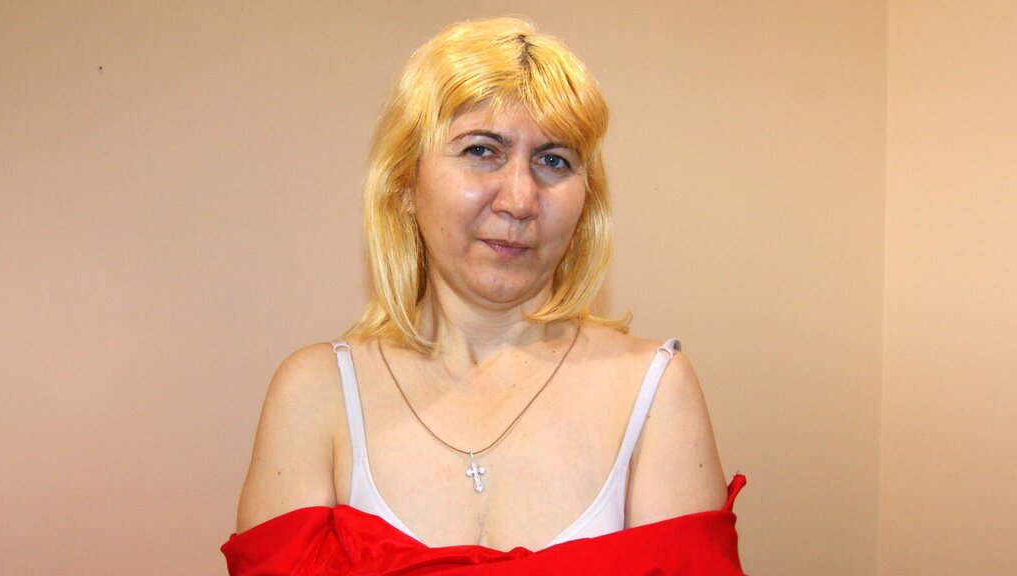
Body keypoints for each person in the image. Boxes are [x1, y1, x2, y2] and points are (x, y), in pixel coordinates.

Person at [222, 17, 745, 575]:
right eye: (481, 150)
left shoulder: (656, 391)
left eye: (554, 160)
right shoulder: (315, 394)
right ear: (404, 182)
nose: (519, 200)